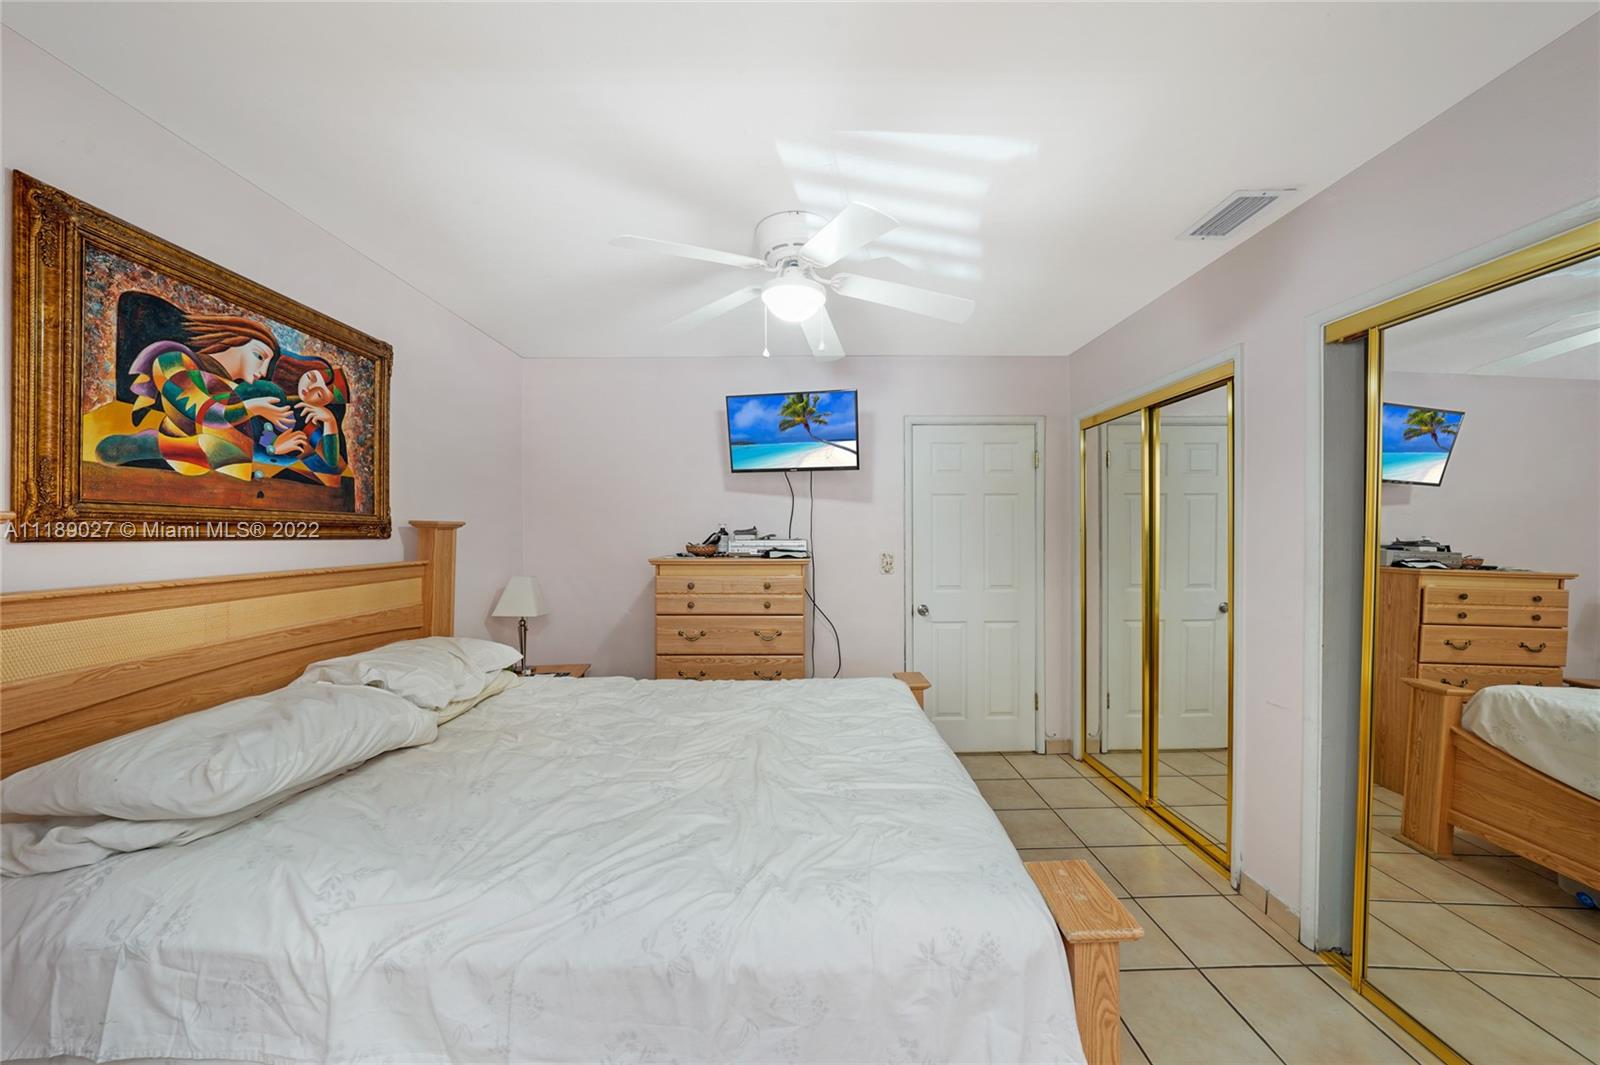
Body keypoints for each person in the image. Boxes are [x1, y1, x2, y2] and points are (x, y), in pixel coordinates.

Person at [95, 313, 295, 479]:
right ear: (234, 341)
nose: (263, 371)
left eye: (268, 364)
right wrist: (251, 408)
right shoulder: (173, 360)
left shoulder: (236, 390)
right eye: (259, 356)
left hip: (218, 470)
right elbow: (203, 411)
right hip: (182, 447)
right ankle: (153, 444)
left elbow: (246, 437)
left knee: (235, 458)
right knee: (229, 452)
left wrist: (273, 448)